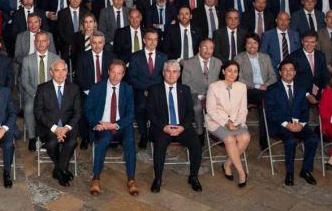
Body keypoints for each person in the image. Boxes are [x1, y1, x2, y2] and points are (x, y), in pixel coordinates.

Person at [147, 61, 203, 192]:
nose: (171, 74)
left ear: (179, 74)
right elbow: (150, 113)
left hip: (181, 127)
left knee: (196, 145)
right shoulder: (154, 90)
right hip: (162, 127)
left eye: (175, 71)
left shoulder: (185, 89)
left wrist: (183, 127)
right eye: (168, 71)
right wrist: (164, 127)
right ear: (163, 73)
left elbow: (190, 113)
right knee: (160, 145)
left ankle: (193, 176)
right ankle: (158, 178)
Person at [85, 60, 138, 196]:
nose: (115, 76)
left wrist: (115, 125)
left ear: (123, 75)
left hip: (121, 125)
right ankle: (96, 178)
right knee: (102, 142)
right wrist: (95, 124)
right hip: (103, 125)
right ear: (108, 72)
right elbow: (88, 109)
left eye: (119, 73)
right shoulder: (97, 87)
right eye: (113, 72)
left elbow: (131, 114)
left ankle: (131, 179)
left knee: (130, 142)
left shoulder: (127, 89)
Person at [265, 60, 319, 186]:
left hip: (298, 124)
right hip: (280, 125)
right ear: (280, 72)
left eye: (291, 69)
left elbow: (305, 110)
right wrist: (286, 124)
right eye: (285, 69)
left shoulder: (301, 89)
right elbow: (271, 113)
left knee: (312, 139)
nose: (288, 72)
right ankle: (289, 172)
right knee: (291, 141)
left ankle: (306, 170)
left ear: (295, 72)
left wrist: (302, 124)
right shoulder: (272, 89)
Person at [34, 60, 82, 187]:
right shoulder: (42, 88)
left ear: (67, 72)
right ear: (51, 72)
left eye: (64, 70)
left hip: (68, 126)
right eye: (57, 70)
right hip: (48, 127)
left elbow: (77, 113)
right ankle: (63, 169)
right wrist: (55, 128)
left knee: (72, 141)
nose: (61, 74)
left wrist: (65, 128)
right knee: (52, 143)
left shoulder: (74, 88)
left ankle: (59, 170)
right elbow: (38, 113)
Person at [205, 60, 251, 186]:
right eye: (229, 71)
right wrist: (226, 123)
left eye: (235, 71)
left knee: (245, 138)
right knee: (230, 139)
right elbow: (211, 110)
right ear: (223, 71)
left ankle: (227, 164)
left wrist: (236, 122)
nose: (232, 74)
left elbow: (243, 109)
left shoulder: (241, 87)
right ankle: (241, 173)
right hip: (217, 122)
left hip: (236, 121)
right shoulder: (214, 87)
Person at [19, 31, 61, 151]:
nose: (41, 44)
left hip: (51, 94)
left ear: (48, 42)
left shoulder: (56, 58)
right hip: (33, 93)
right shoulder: (27, 60)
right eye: (38, 41)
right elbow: (25, 82)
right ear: (35, 42)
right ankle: (32, 137)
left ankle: (50, 134)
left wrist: (48, 94)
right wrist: (35, 93)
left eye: (44, 41)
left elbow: (59, 79)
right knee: (28, 108)